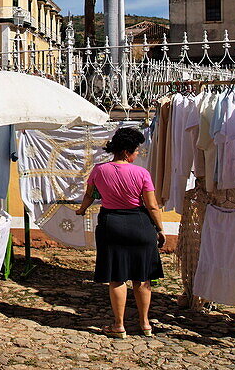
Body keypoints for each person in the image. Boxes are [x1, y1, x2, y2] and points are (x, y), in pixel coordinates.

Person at [76, 127, 164, 338]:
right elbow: (152, 206)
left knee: (117, 277)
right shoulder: (142, 173)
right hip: (140, 224)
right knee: (142, 278)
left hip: (111, 224)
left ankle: (119, 325)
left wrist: (81, 210)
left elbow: (90, 195)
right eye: (135, 151)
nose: (136, 155)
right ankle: (145, 324)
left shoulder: (99, 170)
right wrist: (160, 229)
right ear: (126, 151)